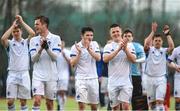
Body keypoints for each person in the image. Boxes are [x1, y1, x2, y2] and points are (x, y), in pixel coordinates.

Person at [1, 15, 35, 111]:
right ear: (12, 33)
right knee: (10, 101)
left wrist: (22, 22)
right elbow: (3, 39)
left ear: (21, 32)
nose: (16, 33)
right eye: (14, 32)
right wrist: (12, 26)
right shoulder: (10, 44)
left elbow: (32, 33)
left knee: (23, 101)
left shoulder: (26, 42)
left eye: (17, 31)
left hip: (24, 73)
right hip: (12, 74)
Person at [29, 15, 61, 111]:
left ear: (44, 25)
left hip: (51, 76)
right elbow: (33, 59)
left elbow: (55, 57)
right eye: (35, 24)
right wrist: (40, 49)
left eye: (37, 24)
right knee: (37, 100)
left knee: (49, 104)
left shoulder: (56, 38)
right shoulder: (33, 40)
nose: (35, 26)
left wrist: (47, 48)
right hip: (38, 75)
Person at [103, 24, 136, 110]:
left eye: (117, 31)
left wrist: (125, 50)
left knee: (126, 106)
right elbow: (105, 59)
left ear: (121, 32)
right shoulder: (108, 46)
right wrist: (118, 49)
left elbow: (133, 60)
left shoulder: (129, 45)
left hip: (125, 81)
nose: (116, 33)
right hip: (113, 82)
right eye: (113, 32)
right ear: (111, 34)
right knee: (115, 108)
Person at [144, 22, 174, 110]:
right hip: (149, 79)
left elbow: (172, 47)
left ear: (162, 42)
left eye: (159, 41)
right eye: (156, 40)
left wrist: (167, 34)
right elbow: (146, 45)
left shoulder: (164, 51)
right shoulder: (149, 50)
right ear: (153, 42)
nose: (157, 42)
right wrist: (152, 32)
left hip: (161, 79)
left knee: (160, 101)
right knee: (152, 104)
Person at [70, 26, 101, 111]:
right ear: (82, 36)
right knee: (81, 106)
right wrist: (79, 53)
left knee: (94, 107)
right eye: (87, 35)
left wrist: (89, 50)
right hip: (81, 79)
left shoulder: (94, 44)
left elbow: (98, 58)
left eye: (91, 35)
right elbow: (72, 63)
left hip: (93, 79)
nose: (90, 37)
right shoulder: (75, 47)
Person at [122, 29, 148, 110]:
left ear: (132, 37)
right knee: (123, 100)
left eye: (129, 36)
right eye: (125, 36)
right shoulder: (118, 45)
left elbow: (144, 58)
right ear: (122, 37)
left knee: (136, 99)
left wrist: (135, 60)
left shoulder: (137, 46)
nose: (127, 38)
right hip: (123, 76)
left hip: (135, 75)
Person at [56, 40, 71, 111]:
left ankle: (62, 108)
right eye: (60, 43)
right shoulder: (55, 52)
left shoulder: (67, 52)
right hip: (55, 75)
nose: (61, 44)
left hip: (64, 75)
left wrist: (64, 55)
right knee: (57, 92)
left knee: (62, 91)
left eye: (62, 43)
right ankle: (59, 105)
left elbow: (71, 63)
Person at [168, 46, 180, 110]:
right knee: (178, 99)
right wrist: (176, 66)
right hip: (178, 76)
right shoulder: (176, 50)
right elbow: (169, 61)